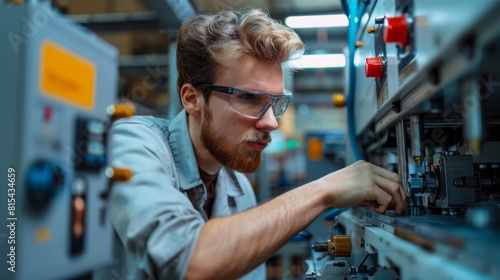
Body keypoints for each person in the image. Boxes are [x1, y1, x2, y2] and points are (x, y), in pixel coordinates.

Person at [107, 8, 407, 280]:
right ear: (191, 99)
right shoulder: (134, 143)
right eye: (249, 98)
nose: (271, 123)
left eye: (275, 102)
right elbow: (191, 261)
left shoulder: (237, 187)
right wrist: (324, 190)